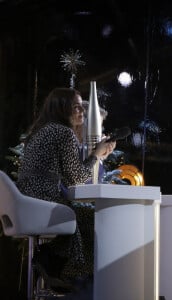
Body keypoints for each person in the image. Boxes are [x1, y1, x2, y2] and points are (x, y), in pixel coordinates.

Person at [17, 87, 116, 281]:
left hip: (27, 202)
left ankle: (53, 263)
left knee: (85, 218)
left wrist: (97, 154)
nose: (81, 112)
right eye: (76, 107)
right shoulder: (63, 132)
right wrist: (97, 154)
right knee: (96, 220)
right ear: (62, 109)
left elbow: (71, 177)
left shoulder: (40, 131)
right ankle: (54, 263)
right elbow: (77, 177)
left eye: (82, 107)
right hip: (45, 202)